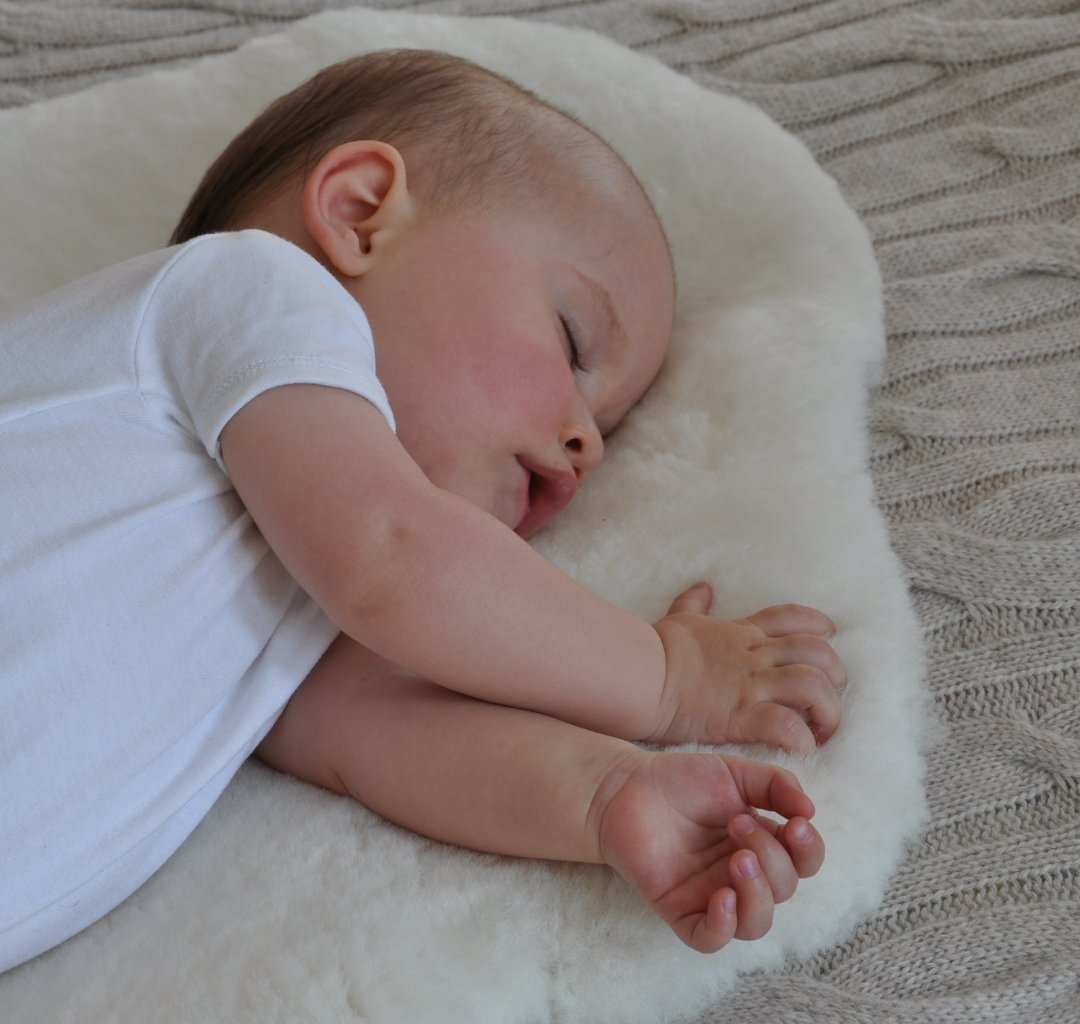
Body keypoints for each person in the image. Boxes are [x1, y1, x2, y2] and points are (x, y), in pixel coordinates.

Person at [0, 50, 846, 974]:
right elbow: (398, 558)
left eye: (606, 426)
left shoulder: (297, 594)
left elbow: (369, 736)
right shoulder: (244, 291)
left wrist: (607, 796)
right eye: (571, 341)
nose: (588, 447)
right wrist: (664, 675)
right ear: (361, 214)